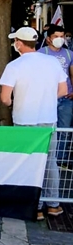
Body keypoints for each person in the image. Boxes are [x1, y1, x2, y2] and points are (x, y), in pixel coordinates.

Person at [0, 27, 65, 220]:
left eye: (15, 41)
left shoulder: (15, 66)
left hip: (24, 121)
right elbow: (62, 90)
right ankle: (53, 205)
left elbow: (5, 98)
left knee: (28, 163)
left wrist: (13, 102)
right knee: (50, 162)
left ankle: (34, 206)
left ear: (19, 43)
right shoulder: (52, 62)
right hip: (49, 120)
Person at [38, 25, 73, 169]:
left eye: (62, 36)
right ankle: (46, 157)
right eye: (56, 36)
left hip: (66, 98)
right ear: (48, 39)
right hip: (47, 99)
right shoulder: (41, 53)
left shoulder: (69, 54)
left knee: (65, 129)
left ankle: (61, 160)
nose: (60, 39)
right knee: (47, 129)